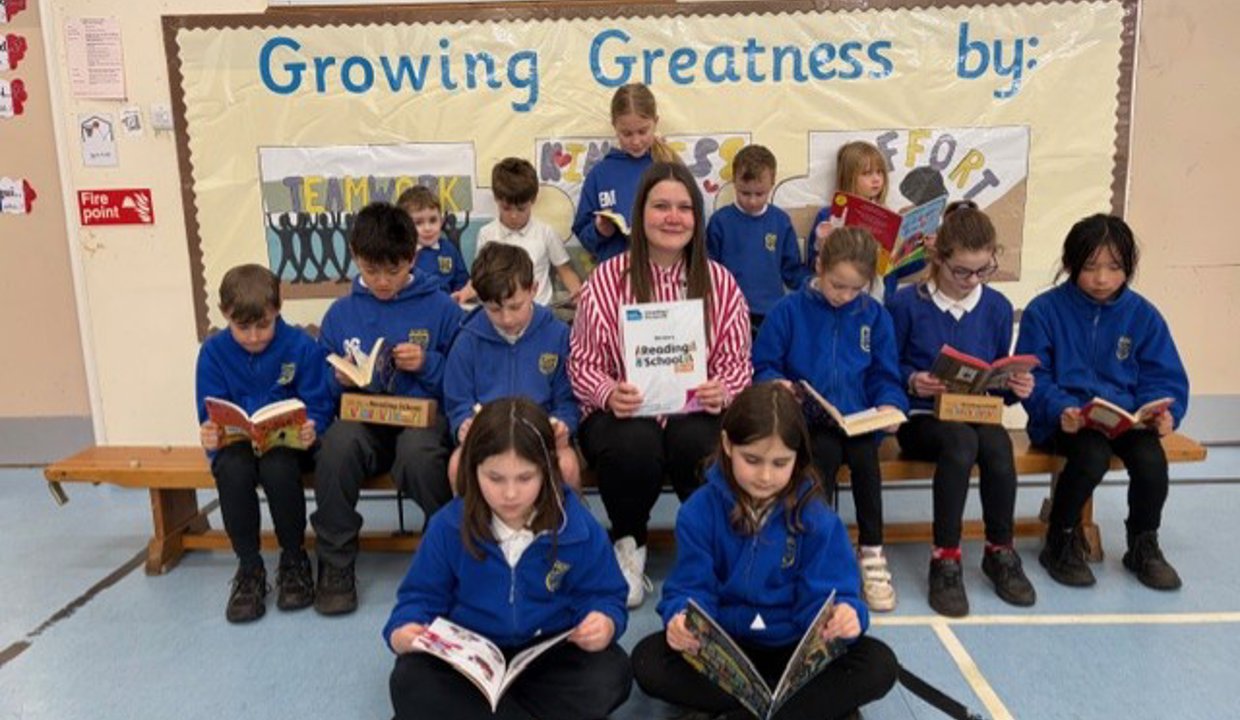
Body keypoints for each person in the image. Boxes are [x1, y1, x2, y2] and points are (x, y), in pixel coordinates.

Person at [631, 383, 899, 719]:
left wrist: (846, 615)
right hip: (728, 653)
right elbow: (689, 588)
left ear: (798, 458)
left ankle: (747, 710)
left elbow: (837, 595)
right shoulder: (698, 512)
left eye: (780, 462)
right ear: (728, 444)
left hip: (792, 648)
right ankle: (791, 710)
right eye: (752, 460)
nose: (765, 476)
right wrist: (680, 619)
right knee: (648, 660)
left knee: (879, 664)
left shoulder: (818, 518)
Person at [569, 161, 753, 608]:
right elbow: (582, 363)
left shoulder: (720, 282)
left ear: (697, 218)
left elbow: (738, 363)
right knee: (634, 441)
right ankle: (629, 547)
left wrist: (722, 389)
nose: (673, 217)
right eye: (661, 206)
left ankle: (705, 552)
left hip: (693, 411)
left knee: (699, 439)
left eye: (684, 208)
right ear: (640, 214)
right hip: (624, 415)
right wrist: (609, 393)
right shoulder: (607, 280)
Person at [384, 398, 632, 720]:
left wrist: (605, 621)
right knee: (409, 679)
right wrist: (402, 630)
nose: (510, 494)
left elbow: (606, 595)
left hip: (547, 657)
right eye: (495, 478)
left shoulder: (579, 528)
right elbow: (418, 599)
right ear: (474, 470)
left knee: (612, 672)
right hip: (472, 662)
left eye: (525, 478)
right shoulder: (448, 525)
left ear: (547, 469)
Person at [1016, 214, 1189, 590]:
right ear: (1069, 264)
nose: (1102, 279)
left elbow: (1164, 376)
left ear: (1129, 267)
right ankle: (1060, 538)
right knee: (1090, 455)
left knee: (1150, 461)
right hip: (1068, 421)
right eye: (1091, 267)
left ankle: (1143, 544)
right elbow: (1034, 376)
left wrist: (1165, 414)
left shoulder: (1143, 315)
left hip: (1125, 418)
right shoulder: (1044, 311)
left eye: (1114, 267)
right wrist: (1059, 408)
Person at [314, 201, 465, 615]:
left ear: (412, 257)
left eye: (393, 271)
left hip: (422, 421)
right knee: (338, 446)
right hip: (363, 421)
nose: (381, 281)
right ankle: (336, 565)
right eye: (370, 270)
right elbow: (320, 378)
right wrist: (338, 378)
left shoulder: (442, 308)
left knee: (419, 455)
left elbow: (464, 378)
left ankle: (451, 555)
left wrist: (428, 363)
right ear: (355, 257)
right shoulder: (341, 313)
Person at [887, 202, 1037, 617]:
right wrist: (912, 379)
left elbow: (995, 377)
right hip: (922, 420)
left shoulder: (997, 308)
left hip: (976, 414)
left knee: (996, 447)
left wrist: (1015, 386)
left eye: (983, 271)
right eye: (962, 272)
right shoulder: (905, 304)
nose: (973, 281)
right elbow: (885, 367)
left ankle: (999, 550)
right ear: (939, 259)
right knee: (959, 442)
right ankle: (946, 558)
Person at [753, 226, 907, 612]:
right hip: (806, 421)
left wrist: (889, 406)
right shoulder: (789, 310)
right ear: (818, 265)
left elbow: (886, 376)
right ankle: (811, 549)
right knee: (819, 457)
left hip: (857, 422)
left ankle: (871, 551)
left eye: (856, 289)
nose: (844, 296)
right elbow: (764, 364)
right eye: (837, 285)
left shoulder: (875, 316)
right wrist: (778, 385)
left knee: (864, 462)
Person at [195, 264, 333, 622]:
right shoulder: (213, 353)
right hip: (238, 444)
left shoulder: (300, 345)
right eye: (243, 327)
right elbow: (209, 410)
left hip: (289, 446)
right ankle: (249, 567)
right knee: (232, 468)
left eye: (264, 325)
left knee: (278, 466)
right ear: (225, 315)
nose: (255, 336)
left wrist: (312, 427)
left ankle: (293, 558)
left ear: (278, 310)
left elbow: (319, 400)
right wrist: (210, 433)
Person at [444, 243, 581, 490]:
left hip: (540, 438)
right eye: (494, 309)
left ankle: (567, 528)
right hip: (488, 440)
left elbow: (569, 400)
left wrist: (563, 424)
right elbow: (457, 401)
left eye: (515, 306)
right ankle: (471, 529)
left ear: (533, 289)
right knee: (457, 465)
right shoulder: (467, 340)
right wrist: (462, 424)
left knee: (567, 465)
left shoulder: (558, 335)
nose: (506, 319)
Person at [706, 144, 811, 331]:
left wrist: (817, 284)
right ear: (734, 183)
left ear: (773, 183)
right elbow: (709, 271)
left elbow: (792, 270)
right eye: (745, 193)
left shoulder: (780, 221)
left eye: (760, 194)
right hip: (729, 313)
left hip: (771, 314)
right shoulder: (720, 222)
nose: (752, 200)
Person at [571, 83, 677, 265]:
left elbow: (694, 222)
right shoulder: (600, 174)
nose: (636, 141)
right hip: (616, 279)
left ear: (656, 122)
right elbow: (582, 232)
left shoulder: (671, 166)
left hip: (665, 275)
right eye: (626, 134)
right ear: (615, 127)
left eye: (643, 131)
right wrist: (599, 230)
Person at [456, 157, 582, 306]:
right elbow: (480, 277)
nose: (514, 215)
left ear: (533, 199)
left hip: (539, 312)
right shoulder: (487, 234)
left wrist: (579, 294)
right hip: (502, 313)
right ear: (496, 199)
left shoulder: (545, 233)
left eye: (521, 209)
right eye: (506, 208)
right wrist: (467, 291)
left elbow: (565, 271)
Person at [806, 140, 890, 275]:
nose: (876, 179)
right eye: (867, 173)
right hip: (842, 288)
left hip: (878, 292)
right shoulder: (828, 215)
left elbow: (896, 270)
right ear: (848, 177)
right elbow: (812, 264)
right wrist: (823, 246)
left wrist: (919, 249)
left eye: (879, 172)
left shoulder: (888, 215)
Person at [396, 185, 470, 300]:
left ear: (441, 220)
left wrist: (459, 294)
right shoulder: (401, 253)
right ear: (404, 225)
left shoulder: (449, 249)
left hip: (446, 307)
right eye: (418, 223)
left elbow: (461, 281)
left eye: (433, 220)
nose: (427, 228)